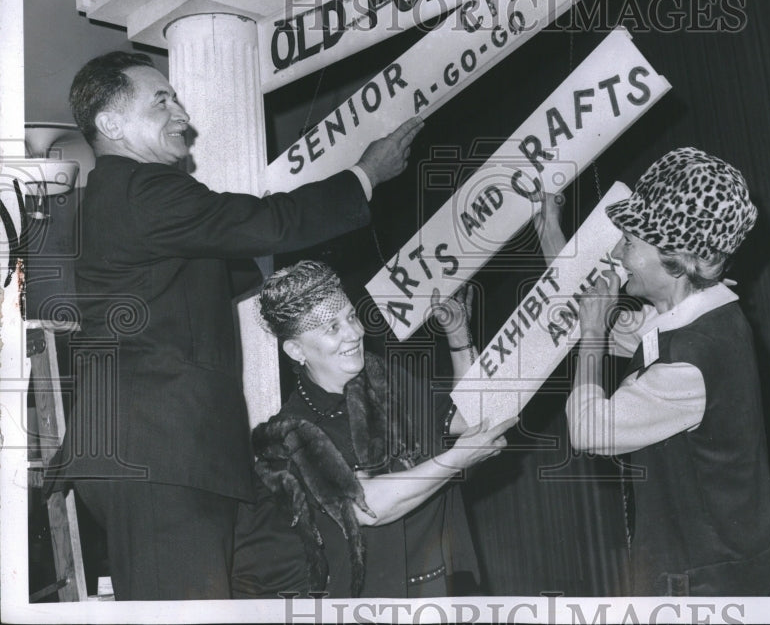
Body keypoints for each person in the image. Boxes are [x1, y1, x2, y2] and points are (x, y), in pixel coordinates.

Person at [47, 50, 423, 600]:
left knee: (281, 573)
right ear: (111, 124)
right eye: (162, 100)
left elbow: (223, 259)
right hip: (159, 459)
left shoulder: (124, 204)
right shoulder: (142, 190)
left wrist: (259, 231)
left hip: (182, 457)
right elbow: (264, 225)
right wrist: (363, 177)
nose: (183, 115)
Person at [230, 261, 512, 598]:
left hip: (449, 585)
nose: (354, 333)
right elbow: (367, 506)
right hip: (377, 605)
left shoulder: (383, 376)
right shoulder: (288, 430)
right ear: (295, 349)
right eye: (332, 328)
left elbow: (472, 416)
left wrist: (458, 335)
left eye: (351, 316)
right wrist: (459, 458)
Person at [565, 147, 770, 596]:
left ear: (675, 257)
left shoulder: (692, 361)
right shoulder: (703, 316)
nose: (619, 253)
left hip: (703, 588)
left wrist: (590, 333)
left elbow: (589, 431)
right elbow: (632, 335)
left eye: (630, 242)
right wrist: (551, 238)